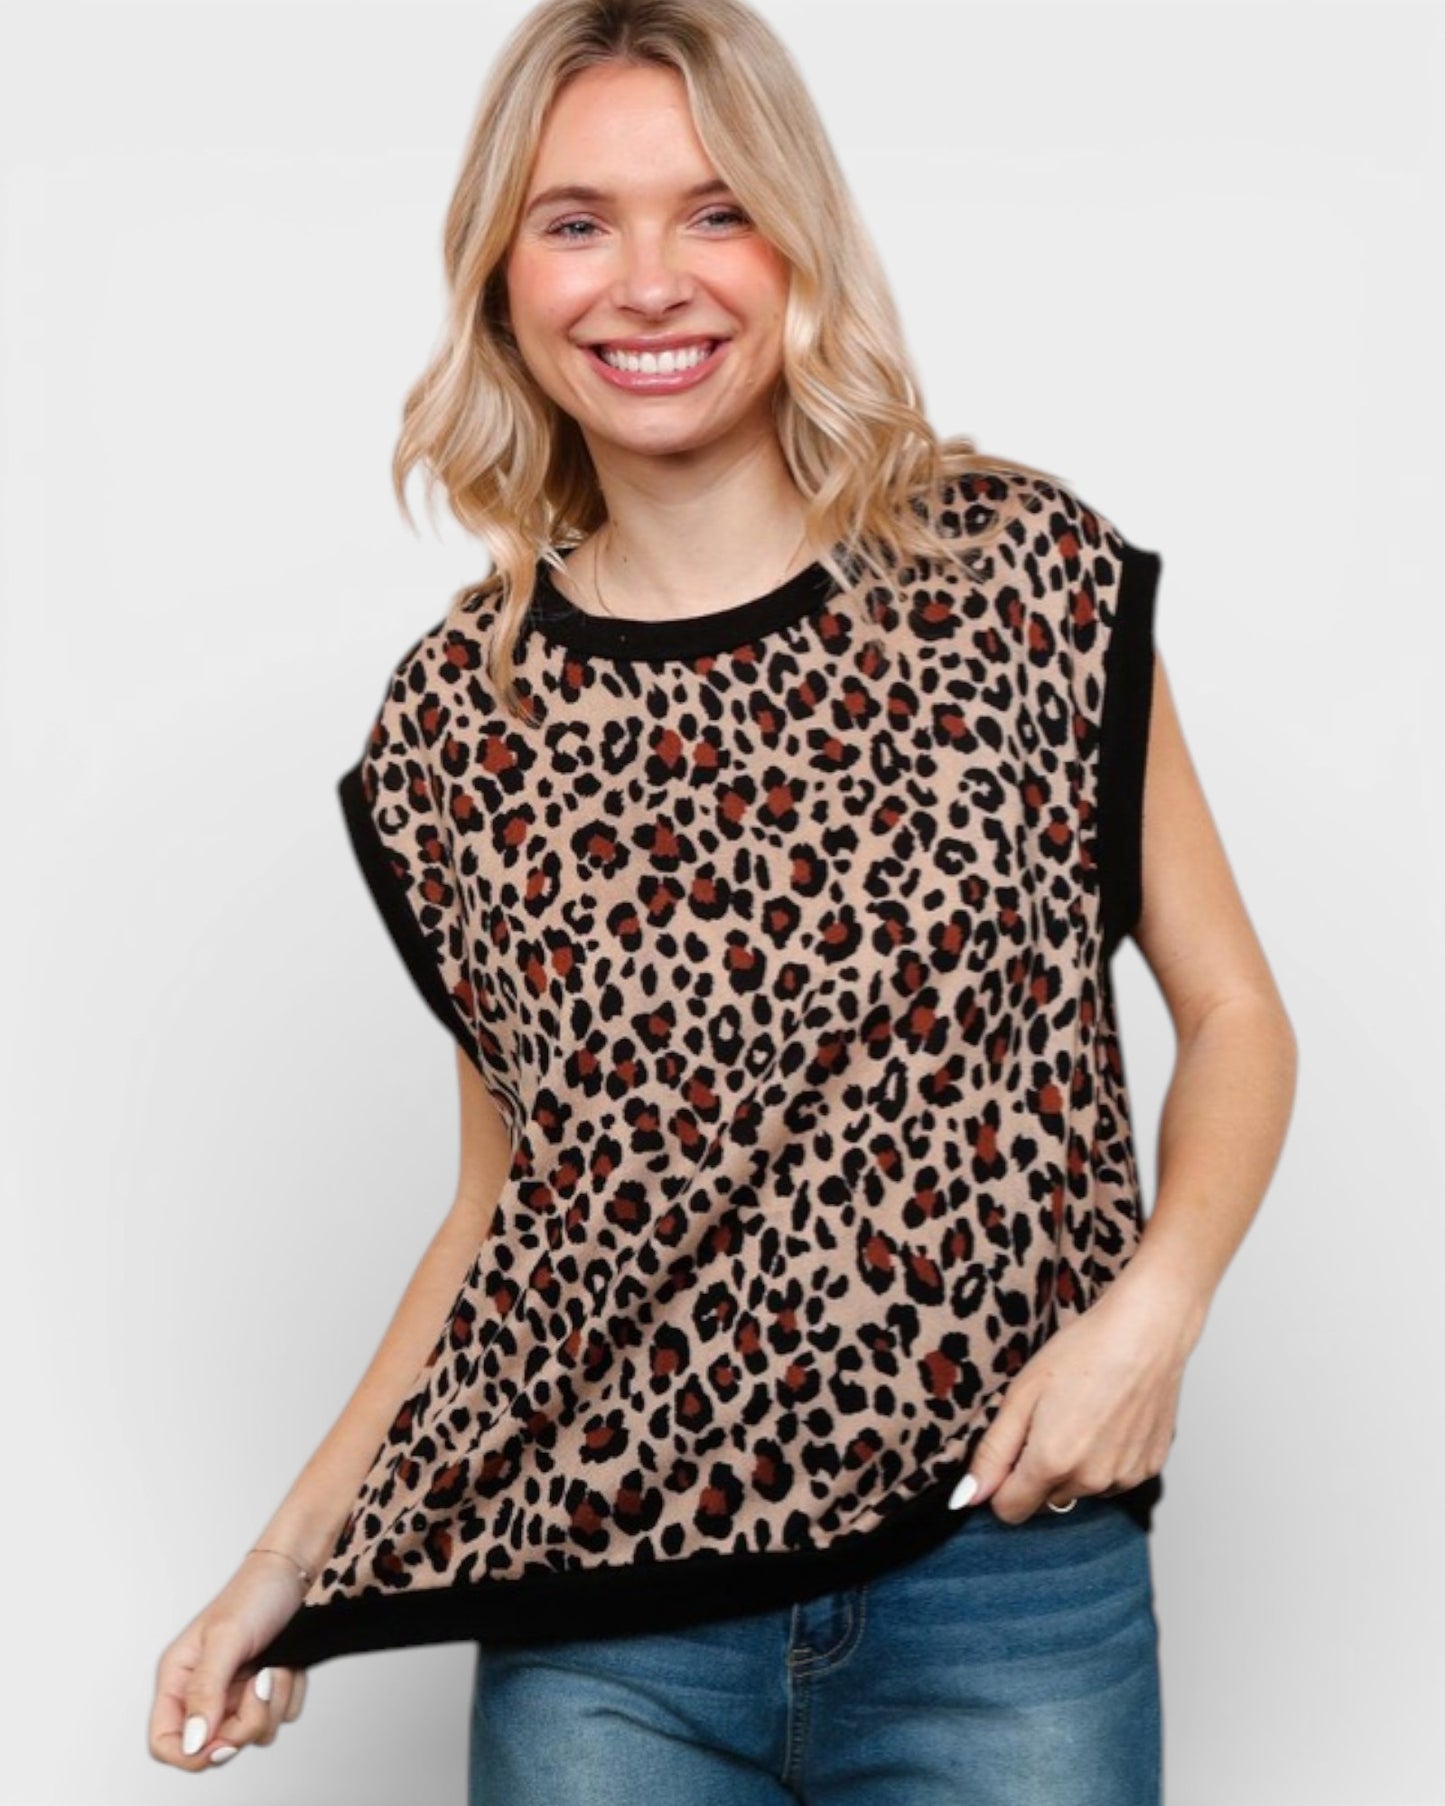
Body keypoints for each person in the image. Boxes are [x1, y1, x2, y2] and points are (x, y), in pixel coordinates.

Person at [147, 0, 1298, 1797]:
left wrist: (1152, 1311)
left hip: (1004, 1584)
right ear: (503, 282)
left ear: (796, 246)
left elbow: (1231, 1011)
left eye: (714, 210)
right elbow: (503, 1210)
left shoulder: (1017, 578)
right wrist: (283, 1565)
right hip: (600, 1631)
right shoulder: (461, 722)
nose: (647, 282)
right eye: (576, 221)